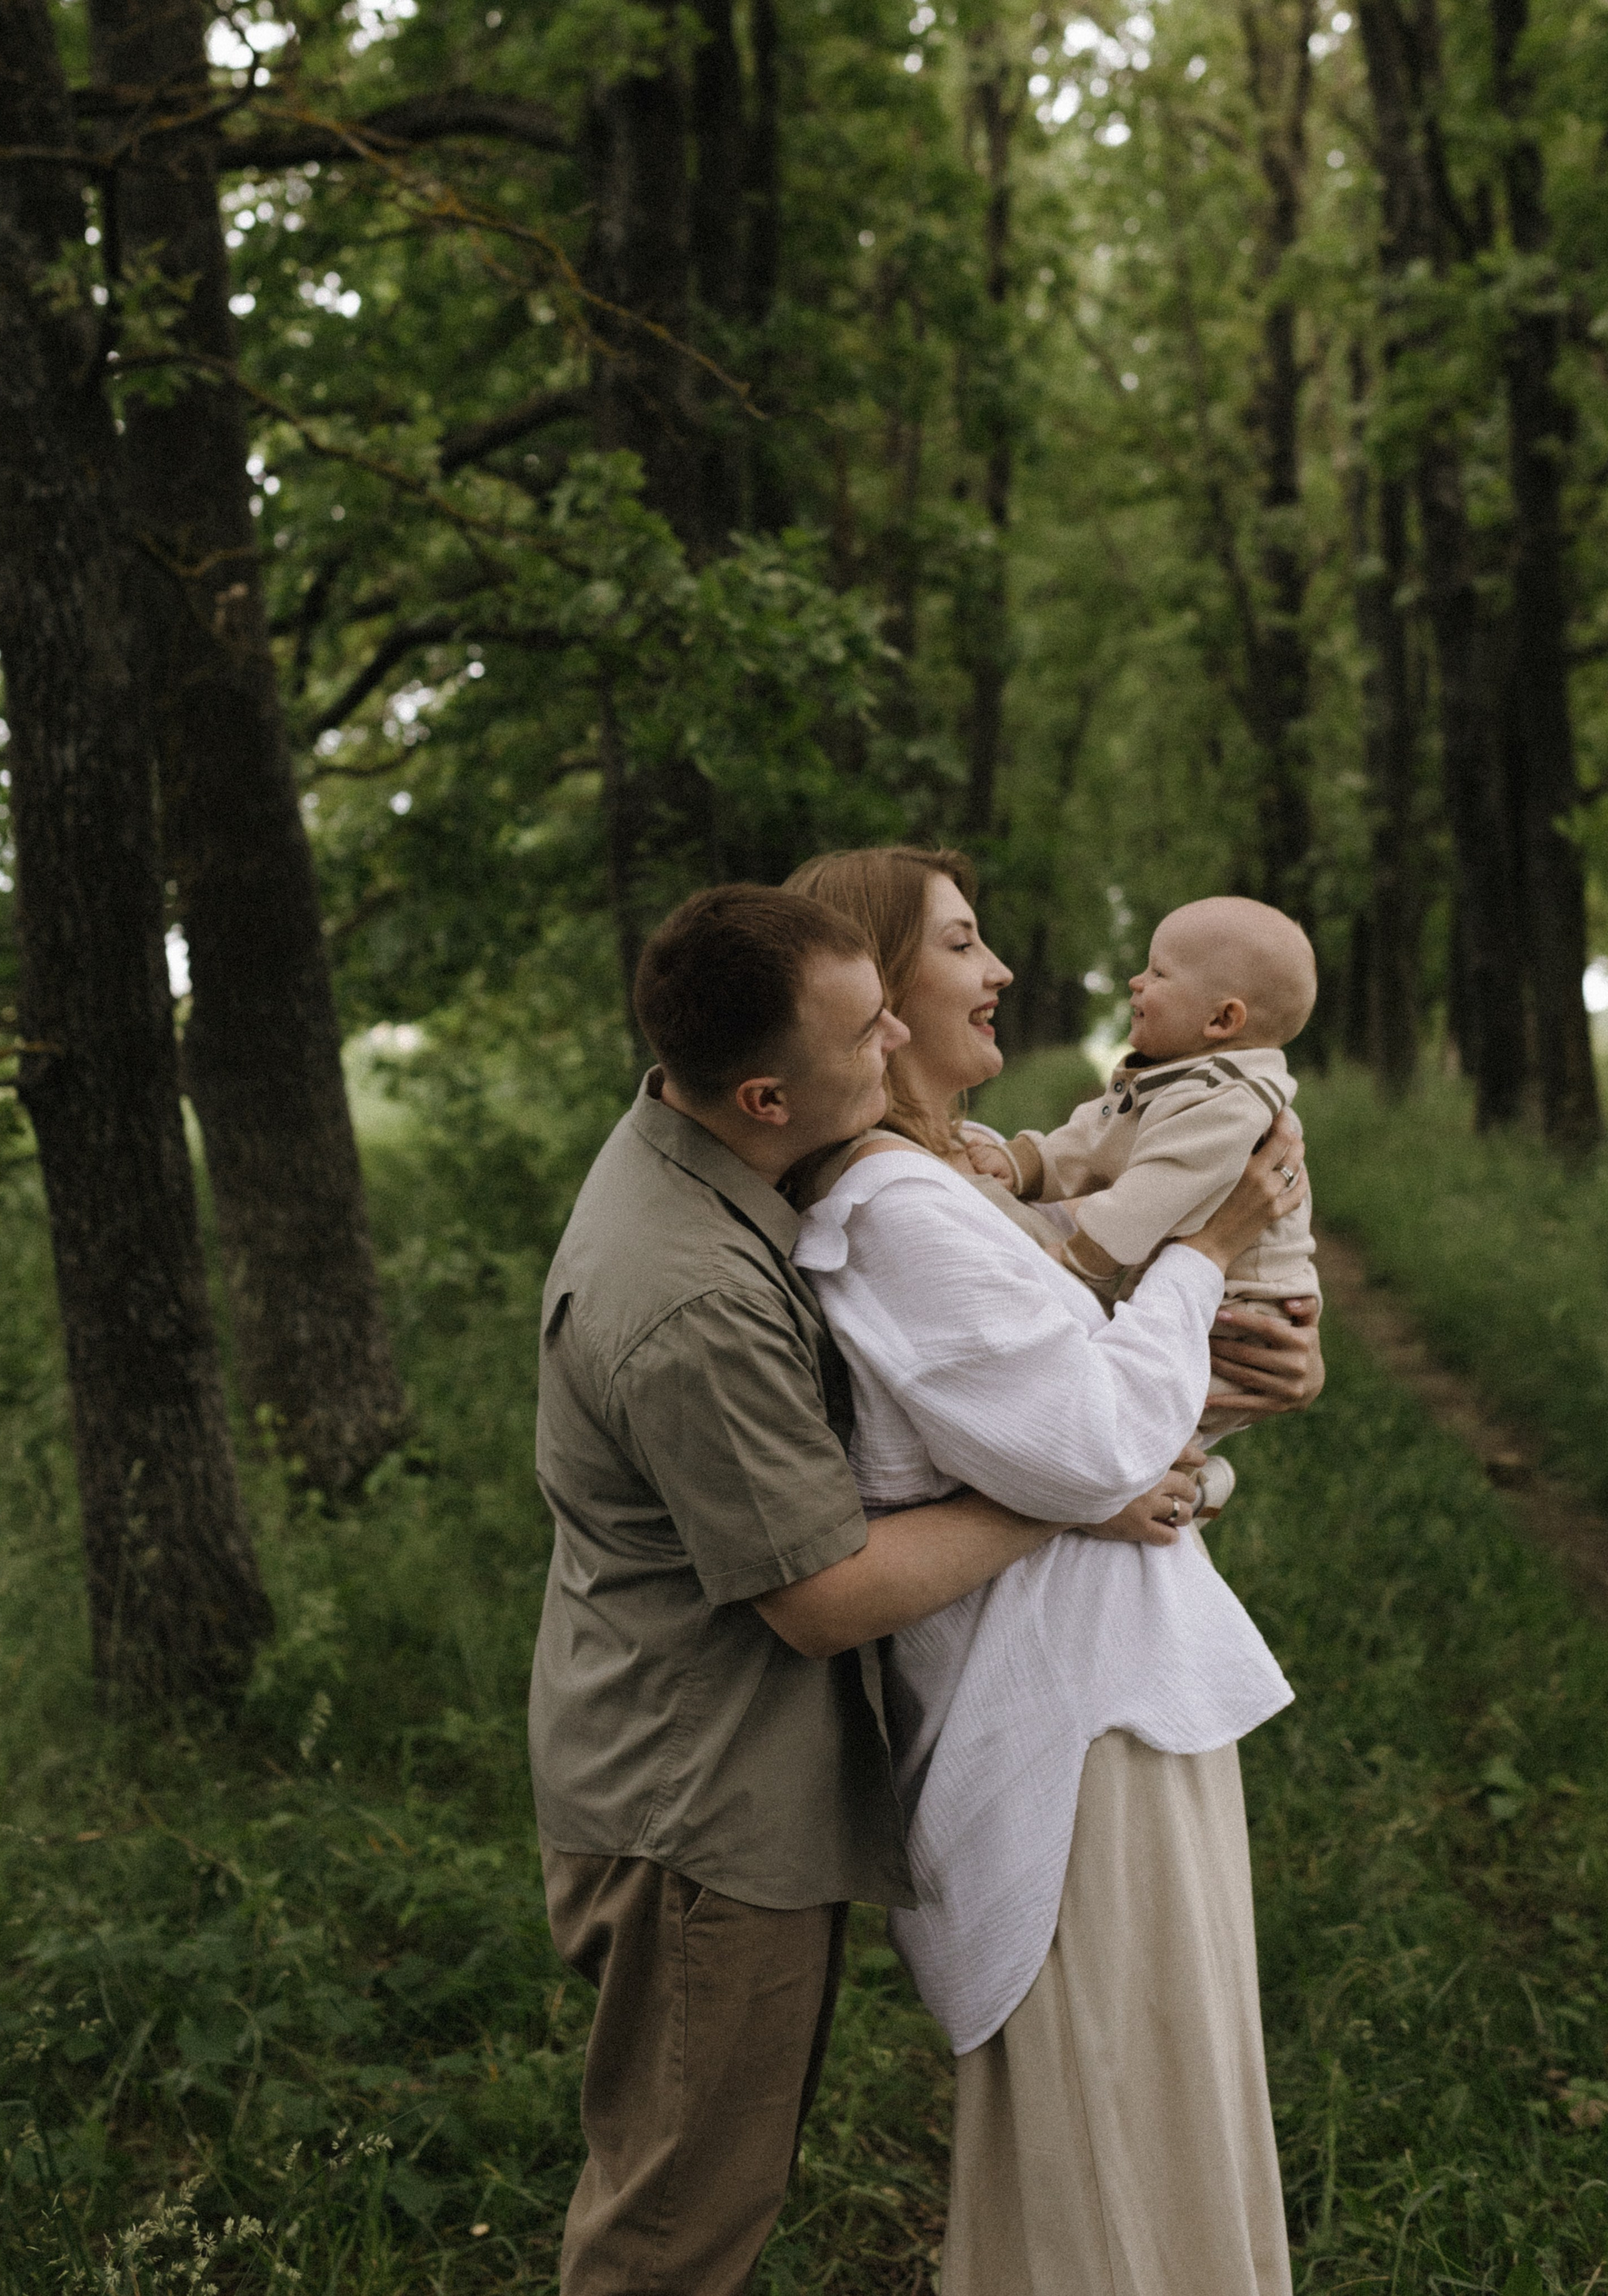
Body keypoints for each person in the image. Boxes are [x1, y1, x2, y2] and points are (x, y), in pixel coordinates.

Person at [525, 883, 1267, 2296]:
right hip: (697, 1803)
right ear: (760, 1091)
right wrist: (1072, 1491)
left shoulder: (731, 1169)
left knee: (709, 2192)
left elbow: (1021, 1348)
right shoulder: (690, 1292)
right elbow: (819, 1593)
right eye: (865, 1031)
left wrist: (1182, 1393)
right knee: (676, 2226)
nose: (888, 1051)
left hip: (739, 1772)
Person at [783, 846, 1324, 2296]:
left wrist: (1235, 1383)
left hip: (1111, 1690)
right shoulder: (894, 1206)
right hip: (1061, 1714)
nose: (999, 968)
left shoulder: (942, 1184)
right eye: (961, 944)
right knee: (1119, 2095)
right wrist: (1208, 1253)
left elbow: (1087, 1400)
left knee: (1161, 2073)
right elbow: (1085, 1437)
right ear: (872, 993)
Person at [966, 893, 1321, 1432]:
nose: (1136, 981)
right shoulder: (1176, 1077)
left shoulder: (1230, 1101)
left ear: (1222, 1018)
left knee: (1150, 1421)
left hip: (1243, 1316)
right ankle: (1187, 1483)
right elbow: (1093, 1136)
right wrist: (1025, 1163)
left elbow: (1154, 1193)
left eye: (1158, 972)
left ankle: (1192, 1479)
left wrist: (1077, 1263)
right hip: (1190, 1292)